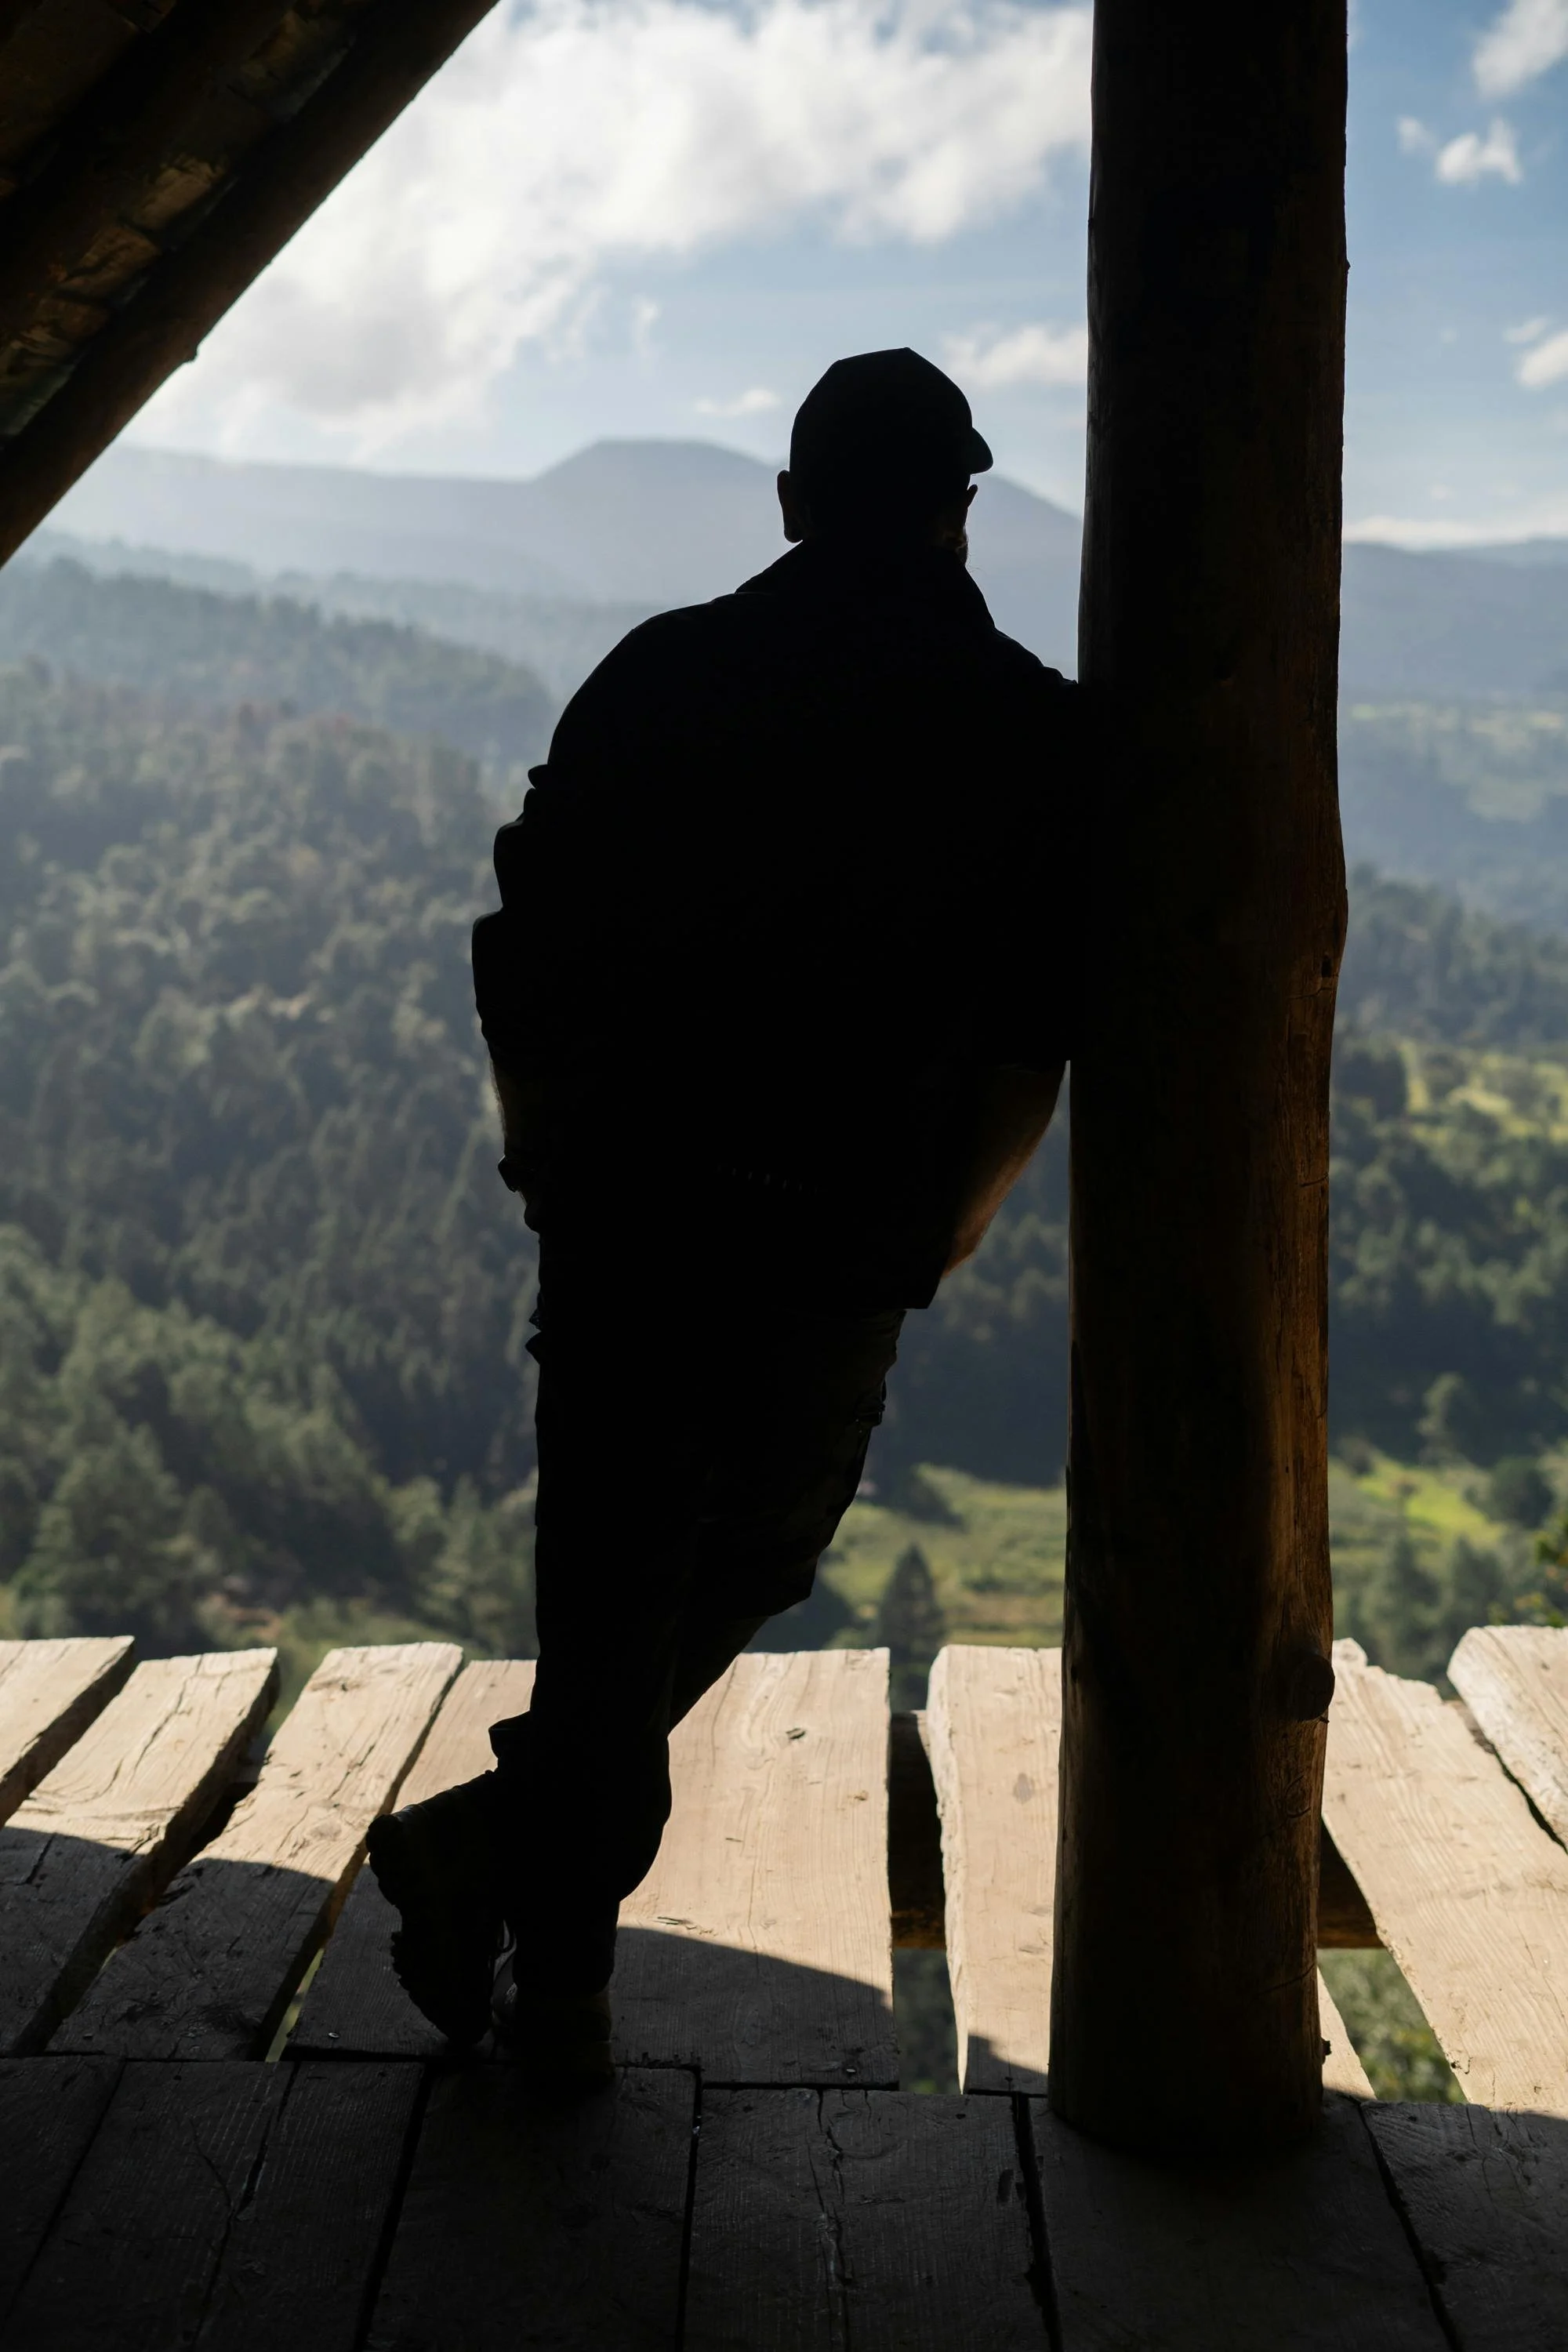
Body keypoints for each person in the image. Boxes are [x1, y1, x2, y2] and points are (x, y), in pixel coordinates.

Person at [366, 347, 1082, 2085]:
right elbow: (1033, 1015)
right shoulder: (1023, 725)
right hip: (839, 1233)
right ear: (959, 514)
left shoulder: (661, 675)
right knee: (754, 1558)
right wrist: (953, 1218)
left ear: (788, 502)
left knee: (609, 1594)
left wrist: (551, 1159)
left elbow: (525, 946)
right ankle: (522, 1932)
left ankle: (554, 1979)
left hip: (625, 1223)